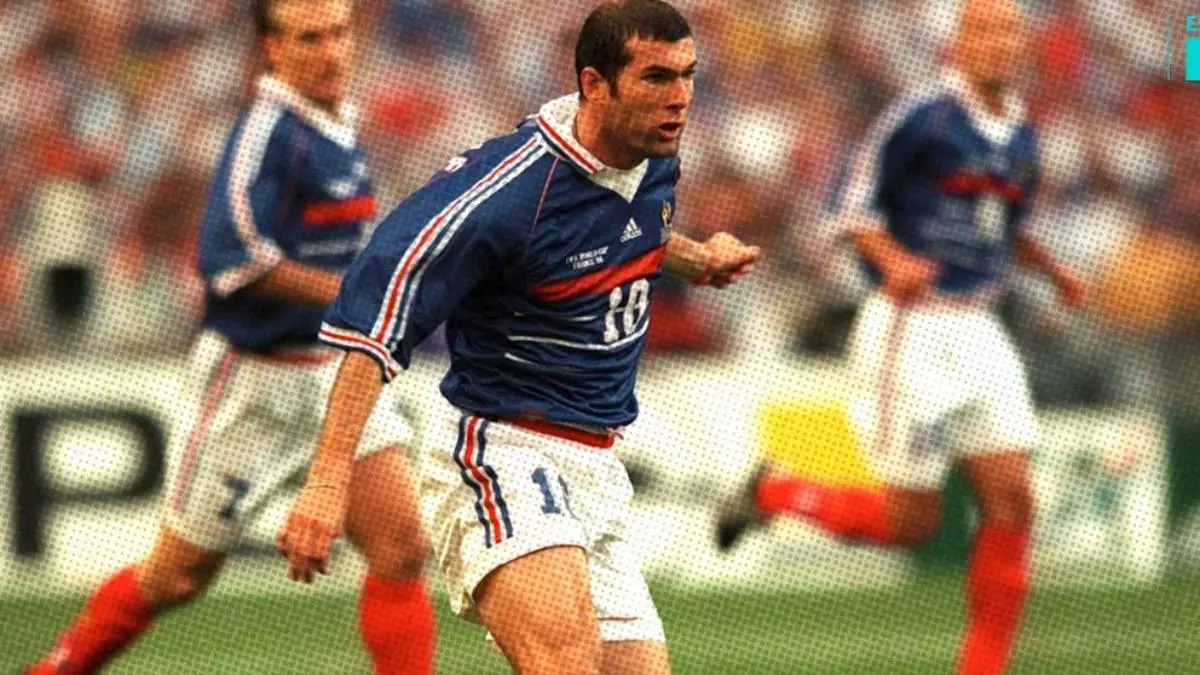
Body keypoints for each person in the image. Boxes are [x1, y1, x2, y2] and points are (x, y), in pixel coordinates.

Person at [274, 1, 760, 673]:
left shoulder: (649, 155)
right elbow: (374, 323)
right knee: (566, 662)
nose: (680, 97)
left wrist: (695, 258)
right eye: (655, 77)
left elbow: (622, 227)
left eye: (688, 75)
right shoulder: (506, 193)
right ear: (594, 84)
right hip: (503, 452)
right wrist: (328, 481)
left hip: (598, 466)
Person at [26, 2, 435, 673]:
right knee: (176, 575)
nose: (331, 51)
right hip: (254, 377)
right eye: (309, 38)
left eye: (339, 34)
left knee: (401, 547)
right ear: (272, 48)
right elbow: (232, 259)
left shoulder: (337, 120)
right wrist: (353, 291)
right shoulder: (267, 131)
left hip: (335, 368)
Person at [715, 1, 1086, 674]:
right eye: (984, 29)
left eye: (1009, 30)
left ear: (1023, 44)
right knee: (911, 522)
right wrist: (893, 261)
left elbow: (1002, 224)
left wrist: (1055, 271)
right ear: (959, 42)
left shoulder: (1022, 131)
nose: (998, 42)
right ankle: (777, 492)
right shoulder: (922, 118)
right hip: (909, 327)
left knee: (1014, 500)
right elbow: (848, 207)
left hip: (978, 326)